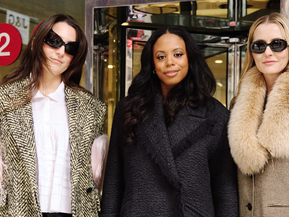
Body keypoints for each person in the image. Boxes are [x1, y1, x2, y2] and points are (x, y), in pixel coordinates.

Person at [99, 25, 238, 217]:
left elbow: (225, 189)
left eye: (178, 54)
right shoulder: (129, 109)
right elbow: (114, 182)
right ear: (153, 65)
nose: (170, 62)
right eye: (161, 57)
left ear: (190, 59)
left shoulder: (215, 114)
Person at [0, 14, 107, 216]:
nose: (60, 52)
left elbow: (94, 176)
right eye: (54, 41)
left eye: (70, 48)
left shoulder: (90, 108)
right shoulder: (5, 100)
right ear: (36, 42)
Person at [228, 12, 289, 216]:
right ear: (251, 53)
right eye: (259, 46)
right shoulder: (238, 103)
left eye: (277, 44)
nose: (268, 52)